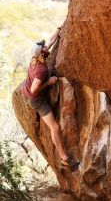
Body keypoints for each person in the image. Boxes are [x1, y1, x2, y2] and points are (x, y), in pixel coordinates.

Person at [21, 24, 79, 171]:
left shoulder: (36, 59)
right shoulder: (41, 70)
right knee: (55, 127)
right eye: (43, 46)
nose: (45, 46)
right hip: (36, 99)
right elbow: (35, 89)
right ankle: (64, 158)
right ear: (42, 52)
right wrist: (49, 82)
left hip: (27, 92)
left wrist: (60, 29)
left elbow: (51, 41)